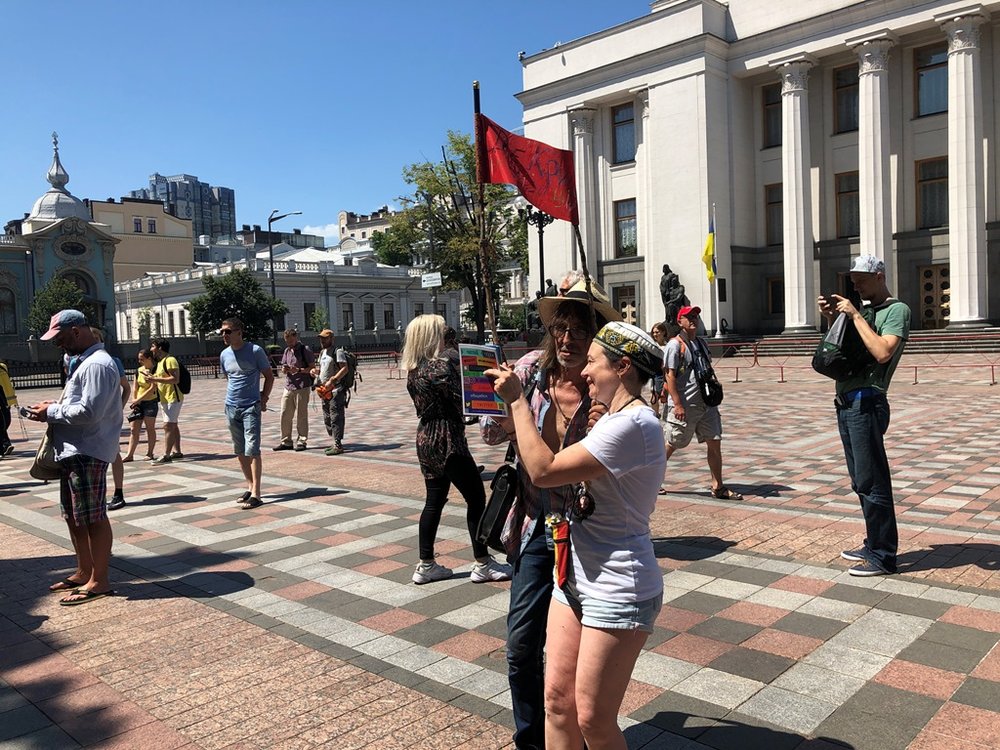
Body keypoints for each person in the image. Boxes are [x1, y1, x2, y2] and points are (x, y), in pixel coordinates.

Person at [487, 320, 666, 750]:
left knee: (593, 719)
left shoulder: (634, 425)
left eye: (593, 363)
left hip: (619, 585)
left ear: (622, 367)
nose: (583, 372)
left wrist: (517, 403)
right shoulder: (611, 419)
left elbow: (544, 470)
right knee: (557, 703)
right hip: (576, 578)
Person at [480, 277, 619, 750]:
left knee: (577, 651)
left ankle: (573, 731)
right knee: (521, 642)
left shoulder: (606, 382)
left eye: (581, 330)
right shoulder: (530, 371)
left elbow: (642, 433)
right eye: (561, 328)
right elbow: (492, 435)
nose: (568, 339)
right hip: (535, 523)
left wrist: (609, 413)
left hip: (588, 530)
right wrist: (499, 409)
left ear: (597, 334)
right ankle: (531, 741)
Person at [401, 314, 512, 585]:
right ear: (430, 336)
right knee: (476, 498)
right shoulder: (440, 368)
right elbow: (465, 399)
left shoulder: (414, 370)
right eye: (441, 331)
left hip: (426, 438)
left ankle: (426, 564)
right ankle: (482, 563)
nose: (445, 335)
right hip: (448, 439)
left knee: (434, 501)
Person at [818, 255, 910, 576]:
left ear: (880, 276)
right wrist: (835, 319)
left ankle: (884, 556)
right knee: (860, 480)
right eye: (853, 280)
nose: (855, 285)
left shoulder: (896, 310)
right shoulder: (866, 312)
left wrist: (856, 315)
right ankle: (873, 543)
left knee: (873, 481)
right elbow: (848, 352)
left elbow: (883, 351)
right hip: (847, 401)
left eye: (861, 279)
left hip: (867, 401)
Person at [24, 310, 122, 605]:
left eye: (61, 338)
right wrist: (53, 404)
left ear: (77, 331)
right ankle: (84, 571)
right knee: (75, 516)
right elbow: (82, 403)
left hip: (87, 451)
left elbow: (90, 412)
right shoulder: (86, 363)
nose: (58, 344)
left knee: (92, 517)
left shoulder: (97, 365)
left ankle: (100, 581)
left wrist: (51, 413)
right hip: (75, 450)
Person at [661, 305, 743, 500]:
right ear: (679, 321)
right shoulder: (674, 345)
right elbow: (669, 377)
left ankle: (718, 486)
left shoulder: (701, 343)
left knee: (715, 441)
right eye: (688, 317)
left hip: (706, 404)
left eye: (696, 316)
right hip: (685, 406)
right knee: (672, 443)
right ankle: (651, 481)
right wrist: (678, 404)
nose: (693, 319)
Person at [220, 318, 275, 509]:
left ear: (239, 332)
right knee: (239, 449)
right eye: (222, 332)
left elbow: (269, 376)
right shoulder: (224, 354)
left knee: (252, 449)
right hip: (231, 406)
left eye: (228, 331)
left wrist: (264, 398)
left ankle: (257, 494)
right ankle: (250, 486)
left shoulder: (255, 351)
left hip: (251, 406)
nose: (224, 335)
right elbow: (229, 378)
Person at [274, 329, 315, 452]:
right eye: (287, 341)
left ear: (295, 337)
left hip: (302, 386)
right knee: (285, 413)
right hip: (289, 386)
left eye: (291, 340)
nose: (290, 343)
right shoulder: (287, 351)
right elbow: (283, 367)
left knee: (301, 415)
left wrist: (298, 370)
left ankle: (302, 441)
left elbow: (312, 368)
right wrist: (285, 369)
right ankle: (286, 441)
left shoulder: (305, 350)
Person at [311, 329, 350, 456]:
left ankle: (338, 444)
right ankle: (334, 442)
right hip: (324, 391)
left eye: (325, 338)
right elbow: (323, 369)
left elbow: (344, 368)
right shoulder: (322, 352)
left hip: (335, 390)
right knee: (327, 418)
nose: (322, 340)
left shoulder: (337, 351)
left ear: (332, 339)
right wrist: (315, 373)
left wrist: (333, 380)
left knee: (336, 417)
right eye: (321, 338)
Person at [147, 338, 184, 463]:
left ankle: (166, 455)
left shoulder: (170, 360)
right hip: (165, 398)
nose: (151, 349)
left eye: (153, 346)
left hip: (173, 397)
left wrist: (155, 379)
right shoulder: (161, 362)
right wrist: (153, 379)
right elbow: (160, 379)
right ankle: (177, 451)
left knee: (168, 426)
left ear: (160, 348)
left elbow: (175, 379)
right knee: (173, 425)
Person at [123, 348, 159, 463]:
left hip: (150, 402)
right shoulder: (139, 370)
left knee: (150, 428)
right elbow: (135, 386)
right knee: (134, 429)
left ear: (149, 358)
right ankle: (130, 454)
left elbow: (153, 388)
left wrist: (138, 399)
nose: (140, 361)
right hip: (138, 404)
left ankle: (150, 453)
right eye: (138, 359)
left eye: (142, 359)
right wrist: (135, 399)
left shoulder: (155, 369)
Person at [649, 321, 669, 419]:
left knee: (665, 395)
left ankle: (666, 414)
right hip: (654, 373)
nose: (655, 334)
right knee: (654, 395)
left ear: (663, 332)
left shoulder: (668, 346)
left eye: (657, 332)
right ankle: (655, 414)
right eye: (654, 332)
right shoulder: (651, 346)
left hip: (665, 373)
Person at [0, 358, 16, 457]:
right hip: (5, 400)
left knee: (4, 422)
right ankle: (5, 444)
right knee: (2, 423)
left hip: (5, 399)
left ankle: (4, 444)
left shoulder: (2, 367)